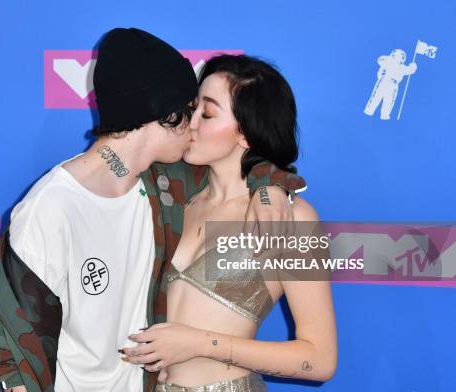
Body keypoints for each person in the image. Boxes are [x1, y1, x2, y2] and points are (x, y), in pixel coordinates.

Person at [0, 29, 307, 392]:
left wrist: (267, 185)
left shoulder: (164, 187)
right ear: (166, 115)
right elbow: (10, 351)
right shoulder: (51, 208)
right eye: (192, 111)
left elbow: (243, 161)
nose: (195, 127)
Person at [122, 54, 337, 391]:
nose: (189, 123)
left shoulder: (291, 218)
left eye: (206, 114)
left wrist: (200, 344)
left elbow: (320, 360)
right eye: (192, 109)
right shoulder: (175, 197)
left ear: (247, 134)